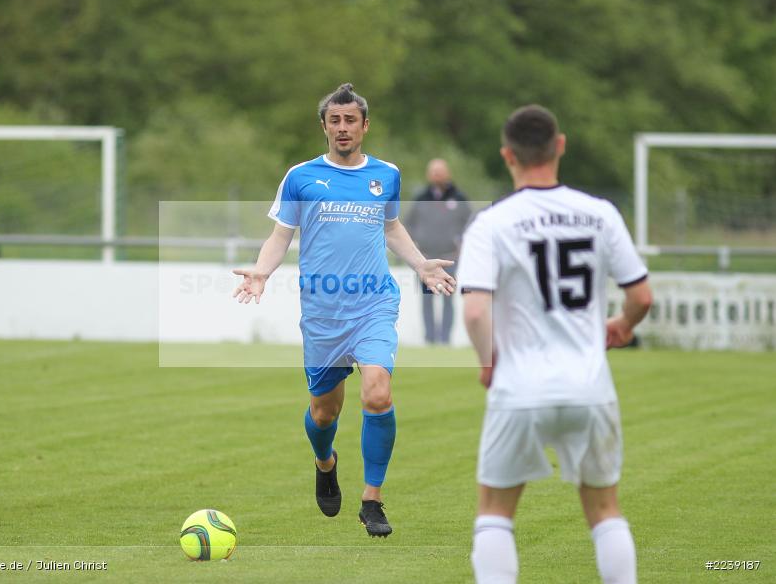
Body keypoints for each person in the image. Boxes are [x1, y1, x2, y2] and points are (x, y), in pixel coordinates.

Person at [232, 83, 455, 537]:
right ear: (324, 126)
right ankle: (325, 463)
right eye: (335, 120)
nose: (342, 128)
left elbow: (391, 226)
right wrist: (260, 272)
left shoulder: (385, 175)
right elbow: (281, 235)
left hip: (374, 303)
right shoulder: (301, 176)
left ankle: (372, 500)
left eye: (350, 120)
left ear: (365, 125)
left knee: (377, 392)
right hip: (323, 313)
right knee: (323, 414)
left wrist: (420, 263)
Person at [457, 105, 652, 584]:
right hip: (590, 386)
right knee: (605, 508)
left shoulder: (492, 223)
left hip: (520, 387)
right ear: (560, 145)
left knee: (495, 511)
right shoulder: (600, 214)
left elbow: (476, 311)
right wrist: (622, 325)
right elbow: (642, 296)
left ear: (508, 156)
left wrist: (488, 362)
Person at [405, 158, 472, 344]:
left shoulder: (459, 198)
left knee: (448, 300)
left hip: (451, 258)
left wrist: (461, 245)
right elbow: (407, 224)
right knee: (427, 300)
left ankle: (445, 339)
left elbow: (471, 224)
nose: (437, 175)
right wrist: (414, 246)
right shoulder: (421, 198)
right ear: (429, 174)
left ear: (447, 173)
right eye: (434, 171)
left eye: (440, 171)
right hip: (425, 259)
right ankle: (430, 339)